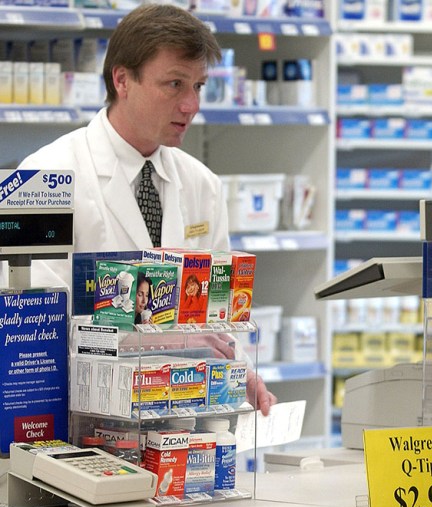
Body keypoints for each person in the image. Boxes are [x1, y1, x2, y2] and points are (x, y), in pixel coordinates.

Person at [16, 4, 275, 415]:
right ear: (122, 79)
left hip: (178, 429)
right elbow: (31, 330)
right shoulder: (46, 177)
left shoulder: (201, 184)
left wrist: (238, 373)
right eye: (174, 84)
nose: (191, 105)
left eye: (199, 86)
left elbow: (216, 314)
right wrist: (158, 345)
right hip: (78, 427)